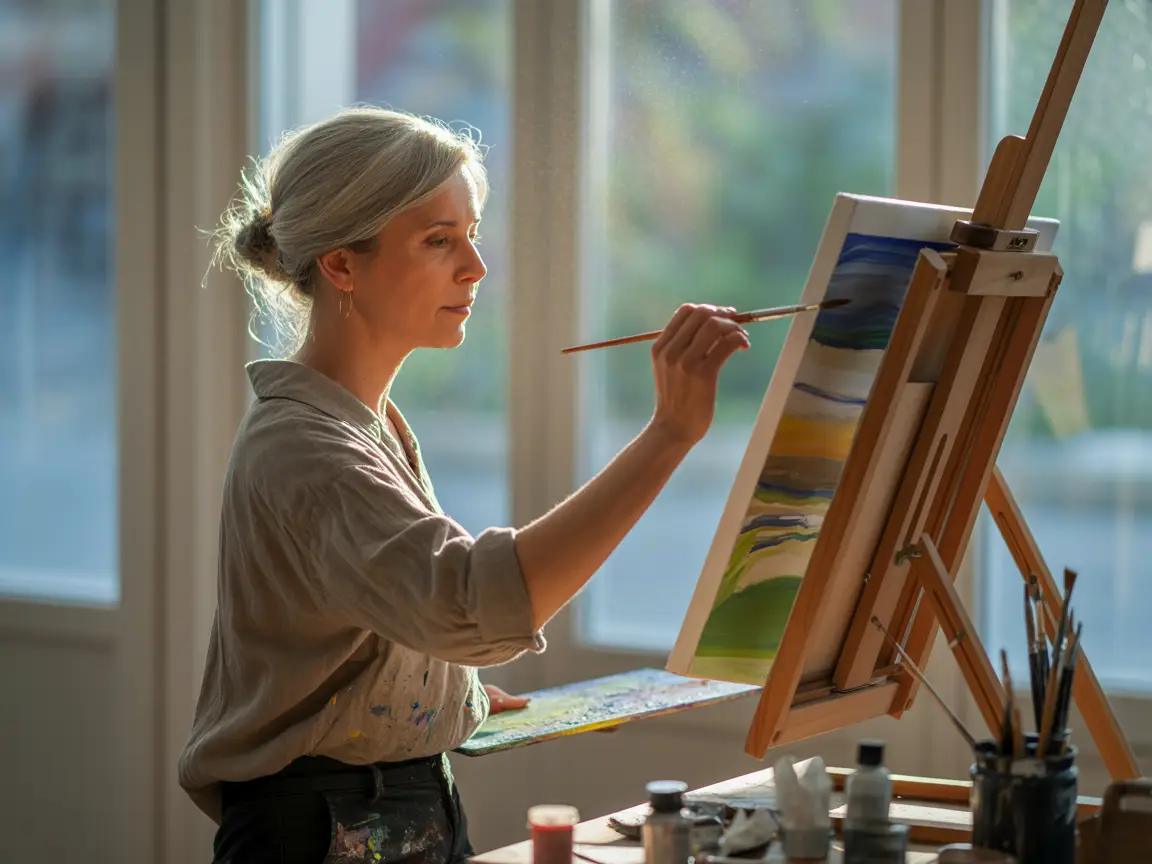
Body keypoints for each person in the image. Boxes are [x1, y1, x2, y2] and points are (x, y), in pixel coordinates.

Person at [178, 106, 751, 864]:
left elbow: (379, 616)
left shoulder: (365, 424)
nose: (475, 266)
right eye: (439, 240)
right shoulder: (306, 448)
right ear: (342, 265)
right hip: (325, 830)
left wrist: (435, 691)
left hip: (390, 804)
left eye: (471, 234)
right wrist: (667, 436)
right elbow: (470, 604)